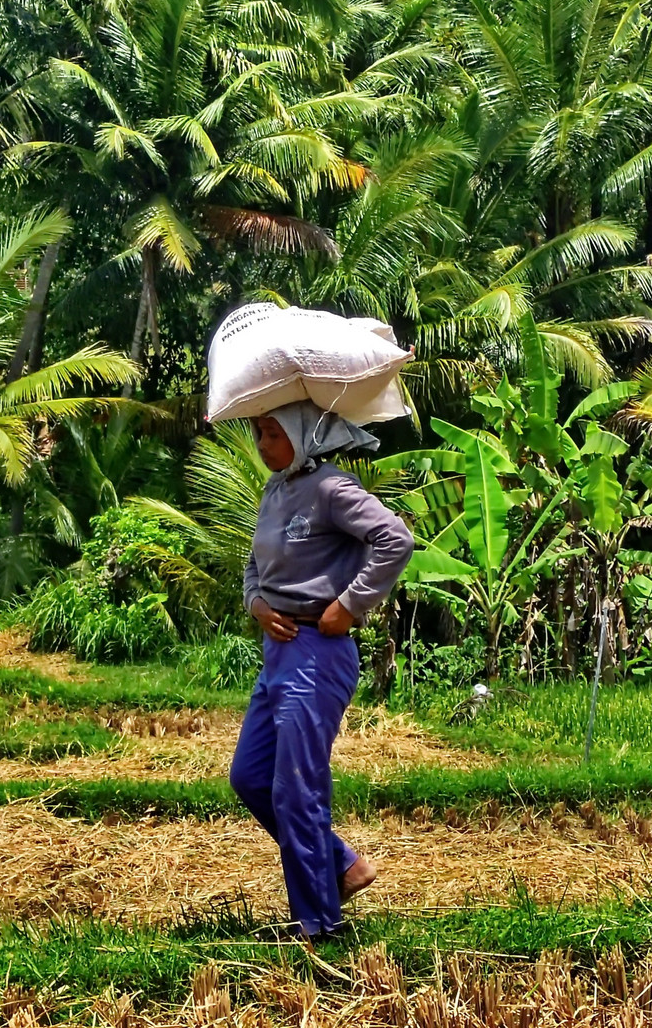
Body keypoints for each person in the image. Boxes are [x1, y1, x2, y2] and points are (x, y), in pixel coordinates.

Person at [230, 400, 414, 940]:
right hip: (279, 652)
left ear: (301, 434)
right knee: (251, 776)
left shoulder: (332, 489)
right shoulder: (274, 491)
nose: (262, 446)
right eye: (259, 434)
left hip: (318, 650)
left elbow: (394, 540)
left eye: (270, 433)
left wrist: (350, 605)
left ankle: (315, 925)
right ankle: (340, 867)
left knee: (296, 787)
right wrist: (256, 605)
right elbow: (253, 565)